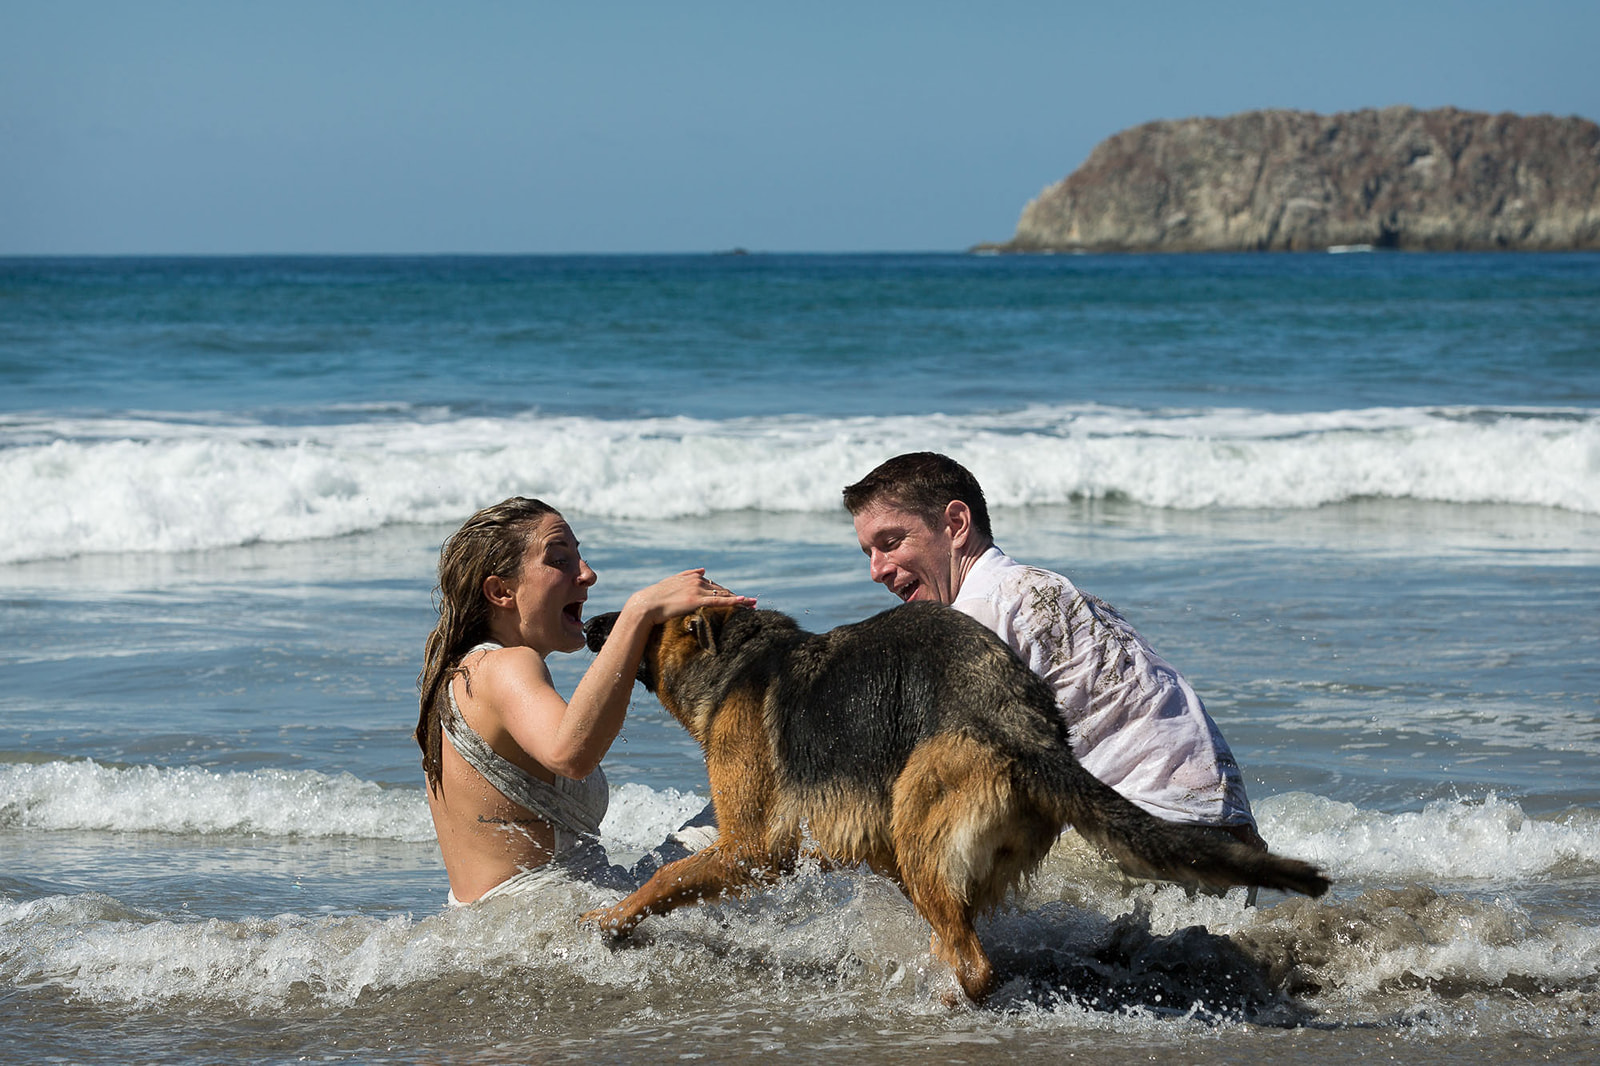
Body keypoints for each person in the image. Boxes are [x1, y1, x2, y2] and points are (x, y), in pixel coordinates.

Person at [843, 453, 1268, 871]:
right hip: (1231, 843)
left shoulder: (978, 614)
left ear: (956, 524)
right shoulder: (1046, 590)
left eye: (890, 543)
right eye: (868, 553)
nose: (877, 570)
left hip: (1150, 840)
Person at [415, 496, 753, 906]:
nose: (588, 574)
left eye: (581, 558)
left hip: (496, 926)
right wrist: (639, 612)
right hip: (561, 923)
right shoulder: (505, 665)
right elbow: (570, 753)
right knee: (762, 810)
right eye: (559, 560)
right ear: (501, 591)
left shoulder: (461, 677)